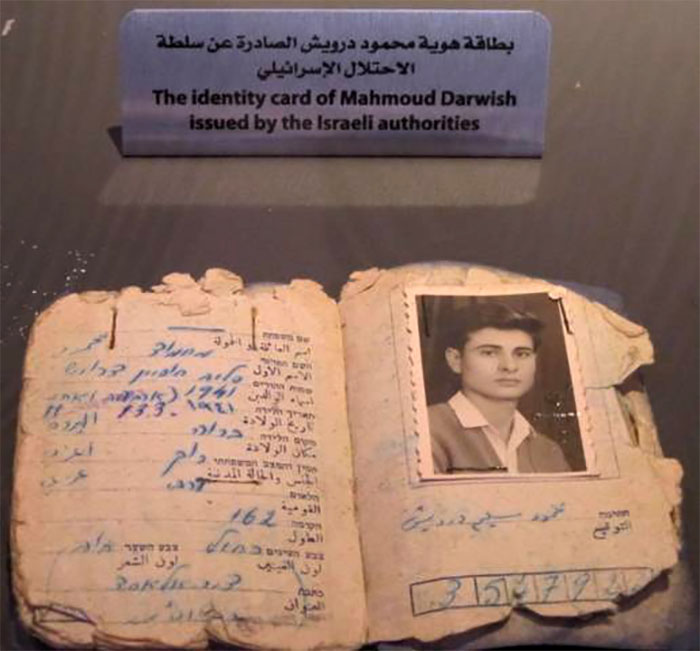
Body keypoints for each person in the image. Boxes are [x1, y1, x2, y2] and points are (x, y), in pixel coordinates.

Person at [428, 301, 570, 474]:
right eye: (489, 352)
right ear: (456, 360)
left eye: (522, 354)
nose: (509, 366)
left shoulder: (548, 451)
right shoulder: (427, 430)